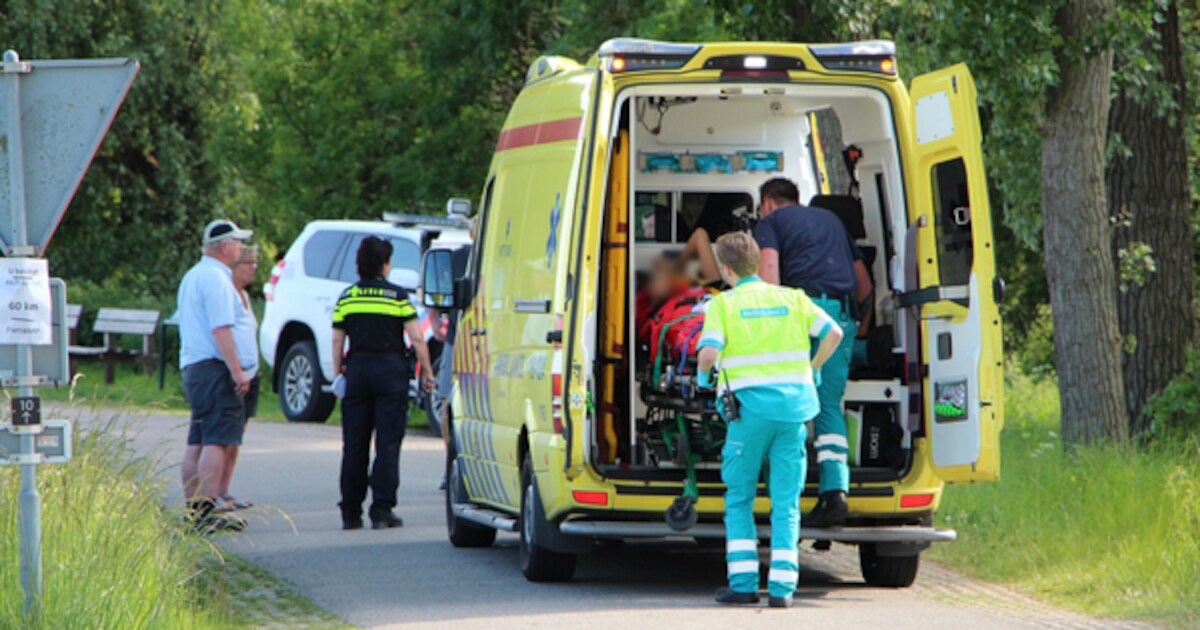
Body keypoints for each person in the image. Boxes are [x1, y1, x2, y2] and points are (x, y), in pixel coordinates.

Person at [697, 232, 843, 608]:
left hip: (749, 415)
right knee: (786, 502)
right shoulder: (793, 298)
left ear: (726, 269)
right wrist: (812, 369)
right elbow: (834, 333)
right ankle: (782, 590)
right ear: (759, 262)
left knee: (740, 499)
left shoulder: (724, 305)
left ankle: (743, 585)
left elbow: (709, 353)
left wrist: (702, 378)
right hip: (794, 412)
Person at [754, 177, 869, 527]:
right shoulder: (832, 220)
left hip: (799, 314)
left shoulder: (770, 223)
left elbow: (770, 276)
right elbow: (863, 282)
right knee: (828, 403)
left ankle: (785, 496)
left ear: (769, 202)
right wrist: (858, 328)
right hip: (839, 316)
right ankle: (835, 492)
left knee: (784, 401)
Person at [332, 236, 436, 530]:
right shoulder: (398, 297)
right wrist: (426, 370)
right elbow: (416, 337)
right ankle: (381, 510)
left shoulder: (347, 297)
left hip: (359, 370)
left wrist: (339, 367)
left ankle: (350, 511)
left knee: (354, 444)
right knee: (387, 443)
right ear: (385, 264)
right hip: (391, 371)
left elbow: (337, 337)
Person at [178, 219, 254, 533]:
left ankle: (194, 508)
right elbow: (221, 329)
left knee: (197, 439)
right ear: (224, 247)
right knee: (217, 440)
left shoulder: (194, 275)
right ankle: (208, 510)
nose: (240, 248)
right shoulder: (218, 280)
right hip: (214, 369)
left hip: (195, 368)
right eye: (237, 243)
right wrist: (237, 370)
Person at [216, 245, 260, 512]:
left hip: (251, 373)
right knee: (226, 437)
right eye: (249, 264)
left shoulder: (244, 295)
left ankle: (224, 489)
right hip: (234, 374)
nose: (254, 269)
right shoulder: (227, 294)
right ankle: (215, 491)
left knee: (237, 437)